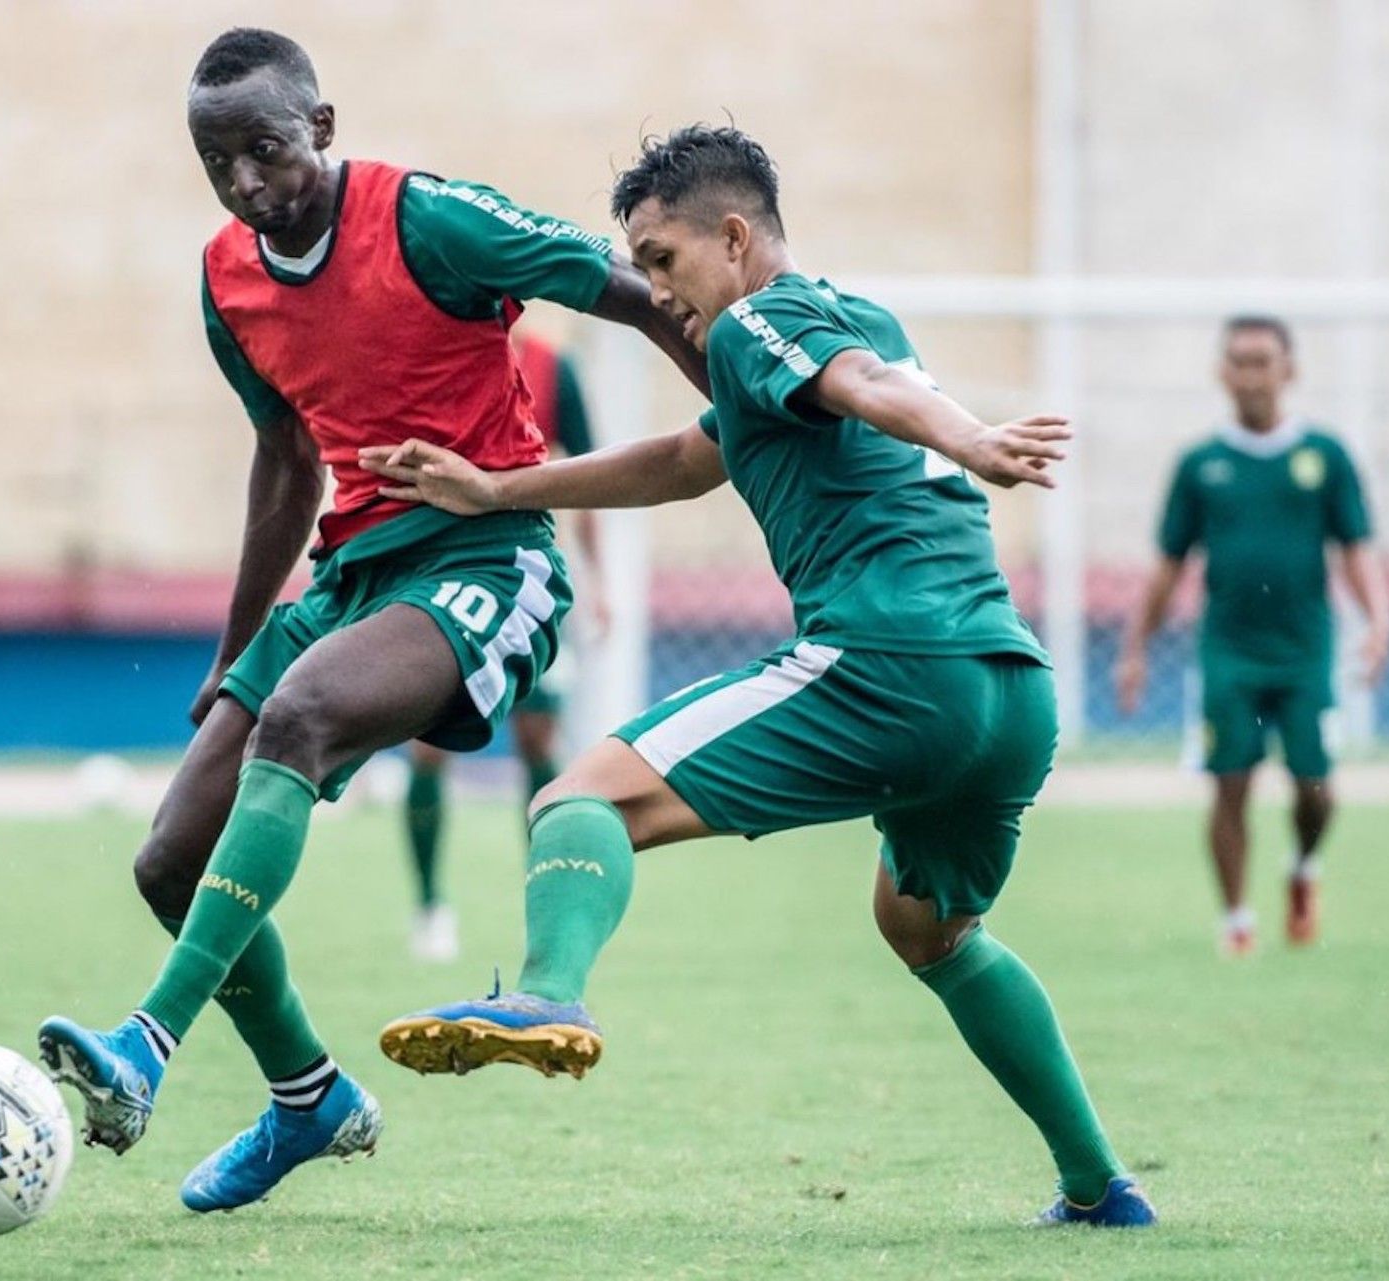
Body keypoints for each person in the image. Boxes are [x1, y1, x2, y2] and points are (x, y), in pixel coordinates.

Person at [365, 125, 1154, 1227]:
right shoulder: (838, 318)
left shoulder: (760, 322)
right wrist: (502, 491)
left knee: (579, 797)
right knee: (928, 931)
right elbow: (695, 459)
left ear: (733, 239)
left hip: (891, 667)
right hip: (1007, 693)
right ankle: (1096, 1185)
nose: (657, 292)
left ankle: (548, 991)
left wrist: (971, 437)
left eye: (662, 261)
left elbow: (863, 385)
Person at [35, 27, 704, 1214]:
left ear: (323, 130)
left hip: (487, 558)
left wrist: (755, 415)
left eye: (267, 150)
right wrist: (237, 642)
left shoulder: (432, 220)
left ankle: (146, 1045)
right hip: (351, 571)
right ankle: (310, 1100)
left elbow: (636, 293)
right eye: (218, 163)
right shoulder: (226, 279)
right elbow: (286, 461)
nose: (247, 184)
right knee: (170, 862)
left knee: (298, 721)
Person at [1115, 316, 1389, 955]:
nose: (1250, 374)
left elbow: (1355, 548)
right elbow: (1168, 564)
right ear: (1222, 372)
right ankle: (1237, 921)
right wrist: (1135, 647)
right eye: (1238, 361)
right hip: (1227, 651)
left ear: (1288, 369)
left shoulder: (1323, 457)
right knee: (1230, 782)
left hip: (1304, 650)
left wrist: (1378, 620)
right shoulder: (1200, 464)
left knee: (1315, 787)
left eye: (1263, 360)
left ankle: (1301, 866)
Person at [403, 332, 609, 962]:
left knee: (539, 739)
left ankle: (538, 907)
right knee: (431, 744)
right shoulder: (429, 354)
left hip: (528, 580)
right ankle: (430, 906)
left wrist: (597, 581)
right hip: (442, 577)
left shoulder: (551, 368)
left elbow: (588, 475)